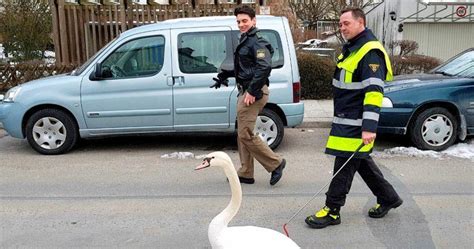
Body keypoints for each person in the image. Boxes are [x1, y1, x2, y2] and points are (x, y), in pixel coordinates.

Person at [305, 7, 403, 229]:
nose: (342, 28)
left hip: (357, 123)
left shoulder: (370, 52)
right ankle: (388, 197)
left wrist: (369, 127)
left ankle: (332, 210)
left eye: (346, 23)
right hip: (346, 119)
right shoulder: (353, 48)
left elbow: (374, 93)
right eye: (340, 24)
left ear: (361, 22)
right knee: (359, 163)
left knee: (343, 165)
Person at [210, 5, 286, 186]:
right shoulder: (245, 39)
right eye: (238, 21)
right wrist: (224, 75)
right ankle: (245, 172)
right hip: (245, 91)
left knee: (245, 133)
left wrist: (252, 91)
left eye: (244, 21)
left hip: (253, 93)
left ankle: (276, 163)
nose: (241, 24)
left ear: (253, 21)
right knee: (243, 133)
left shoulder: (256, 42)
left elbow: (264, 66)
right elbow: (245, 68)